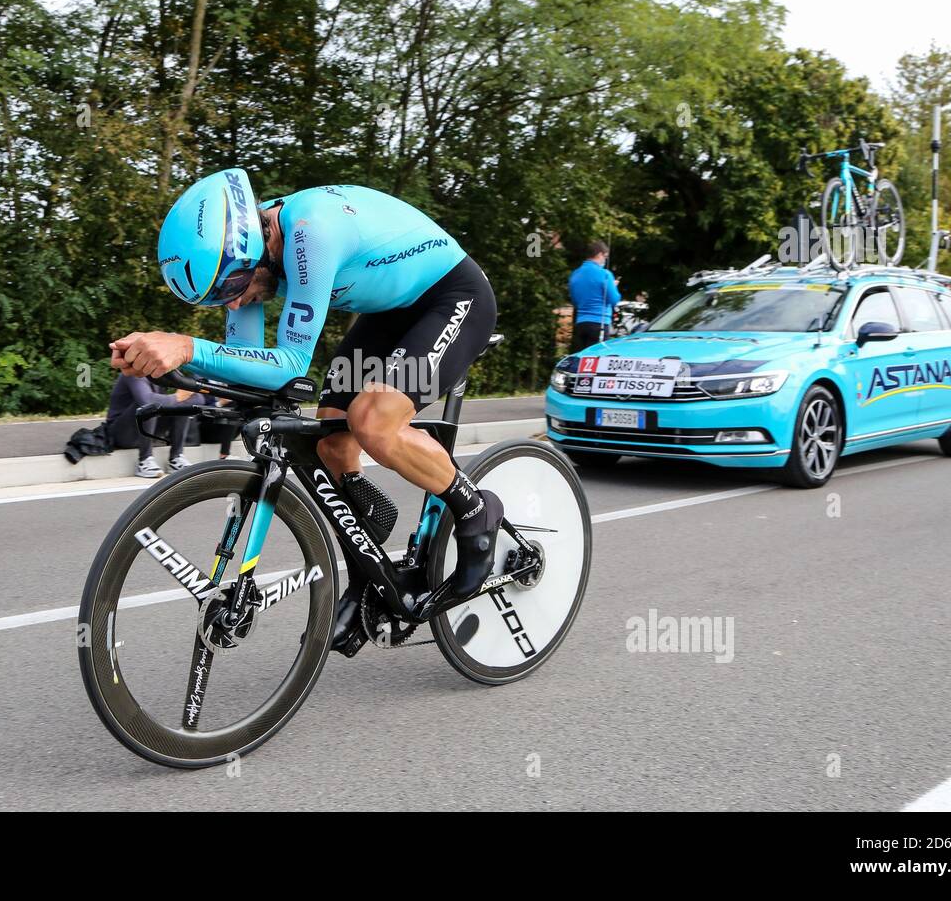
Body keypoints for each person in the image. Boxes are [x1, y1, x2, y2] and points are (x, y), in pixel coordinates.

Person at [109, 169, 501, 647]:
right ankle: (370, 575)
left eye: (232, 287)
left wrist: (186, 346)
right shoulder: (252, 256)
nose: (235, 303)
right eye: (218, 298)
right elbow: (248, 373)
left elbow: (290, 364)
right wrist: (166, 370)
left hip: (451, 297)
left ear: (250, 247)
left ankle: (476, 511)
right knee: (333, 442)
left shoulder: (309, 231)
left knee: (373, 421)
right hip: (388, 312)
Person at [104, 374, 204, 477]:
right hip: (121, 434)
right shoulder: (133, 374)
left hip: (147, 431)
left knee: (184, 406)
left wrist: (182, 398)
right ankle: (144, 461)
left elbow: (199, 399)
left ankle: (176, 458)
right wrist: (177, 397)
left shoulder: (162, 372)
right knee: (149, 406)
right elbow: (146, 400)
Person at [568, 240, 621, 350]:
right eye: (605, 257)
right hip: (599, 324)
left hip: (581, 324)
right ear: (599, 254)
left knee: (582, 360)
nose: (605, 260)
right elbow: (614, 299)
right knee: (596, 361)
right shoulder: (605, 274)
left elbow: (575, 302)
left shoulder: (575, 274)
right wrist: (613, 286)